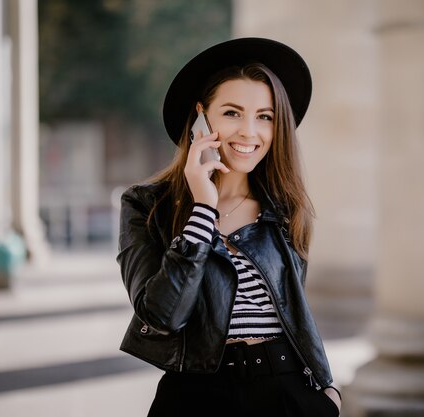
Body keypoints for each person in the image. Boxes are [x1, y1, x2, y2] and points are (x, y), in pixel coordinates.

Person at [117, 37, 342, 416]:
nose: (249, 132)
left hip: (286, 391)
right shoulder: (146, 205)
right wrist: (203, 207)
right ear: (201, 116)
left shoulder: (284, 208)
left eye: (265, 116)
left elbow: (295, 312)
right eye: (233, 113)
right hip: (196, 395)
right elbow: (161, 317)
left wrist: (328, 394)